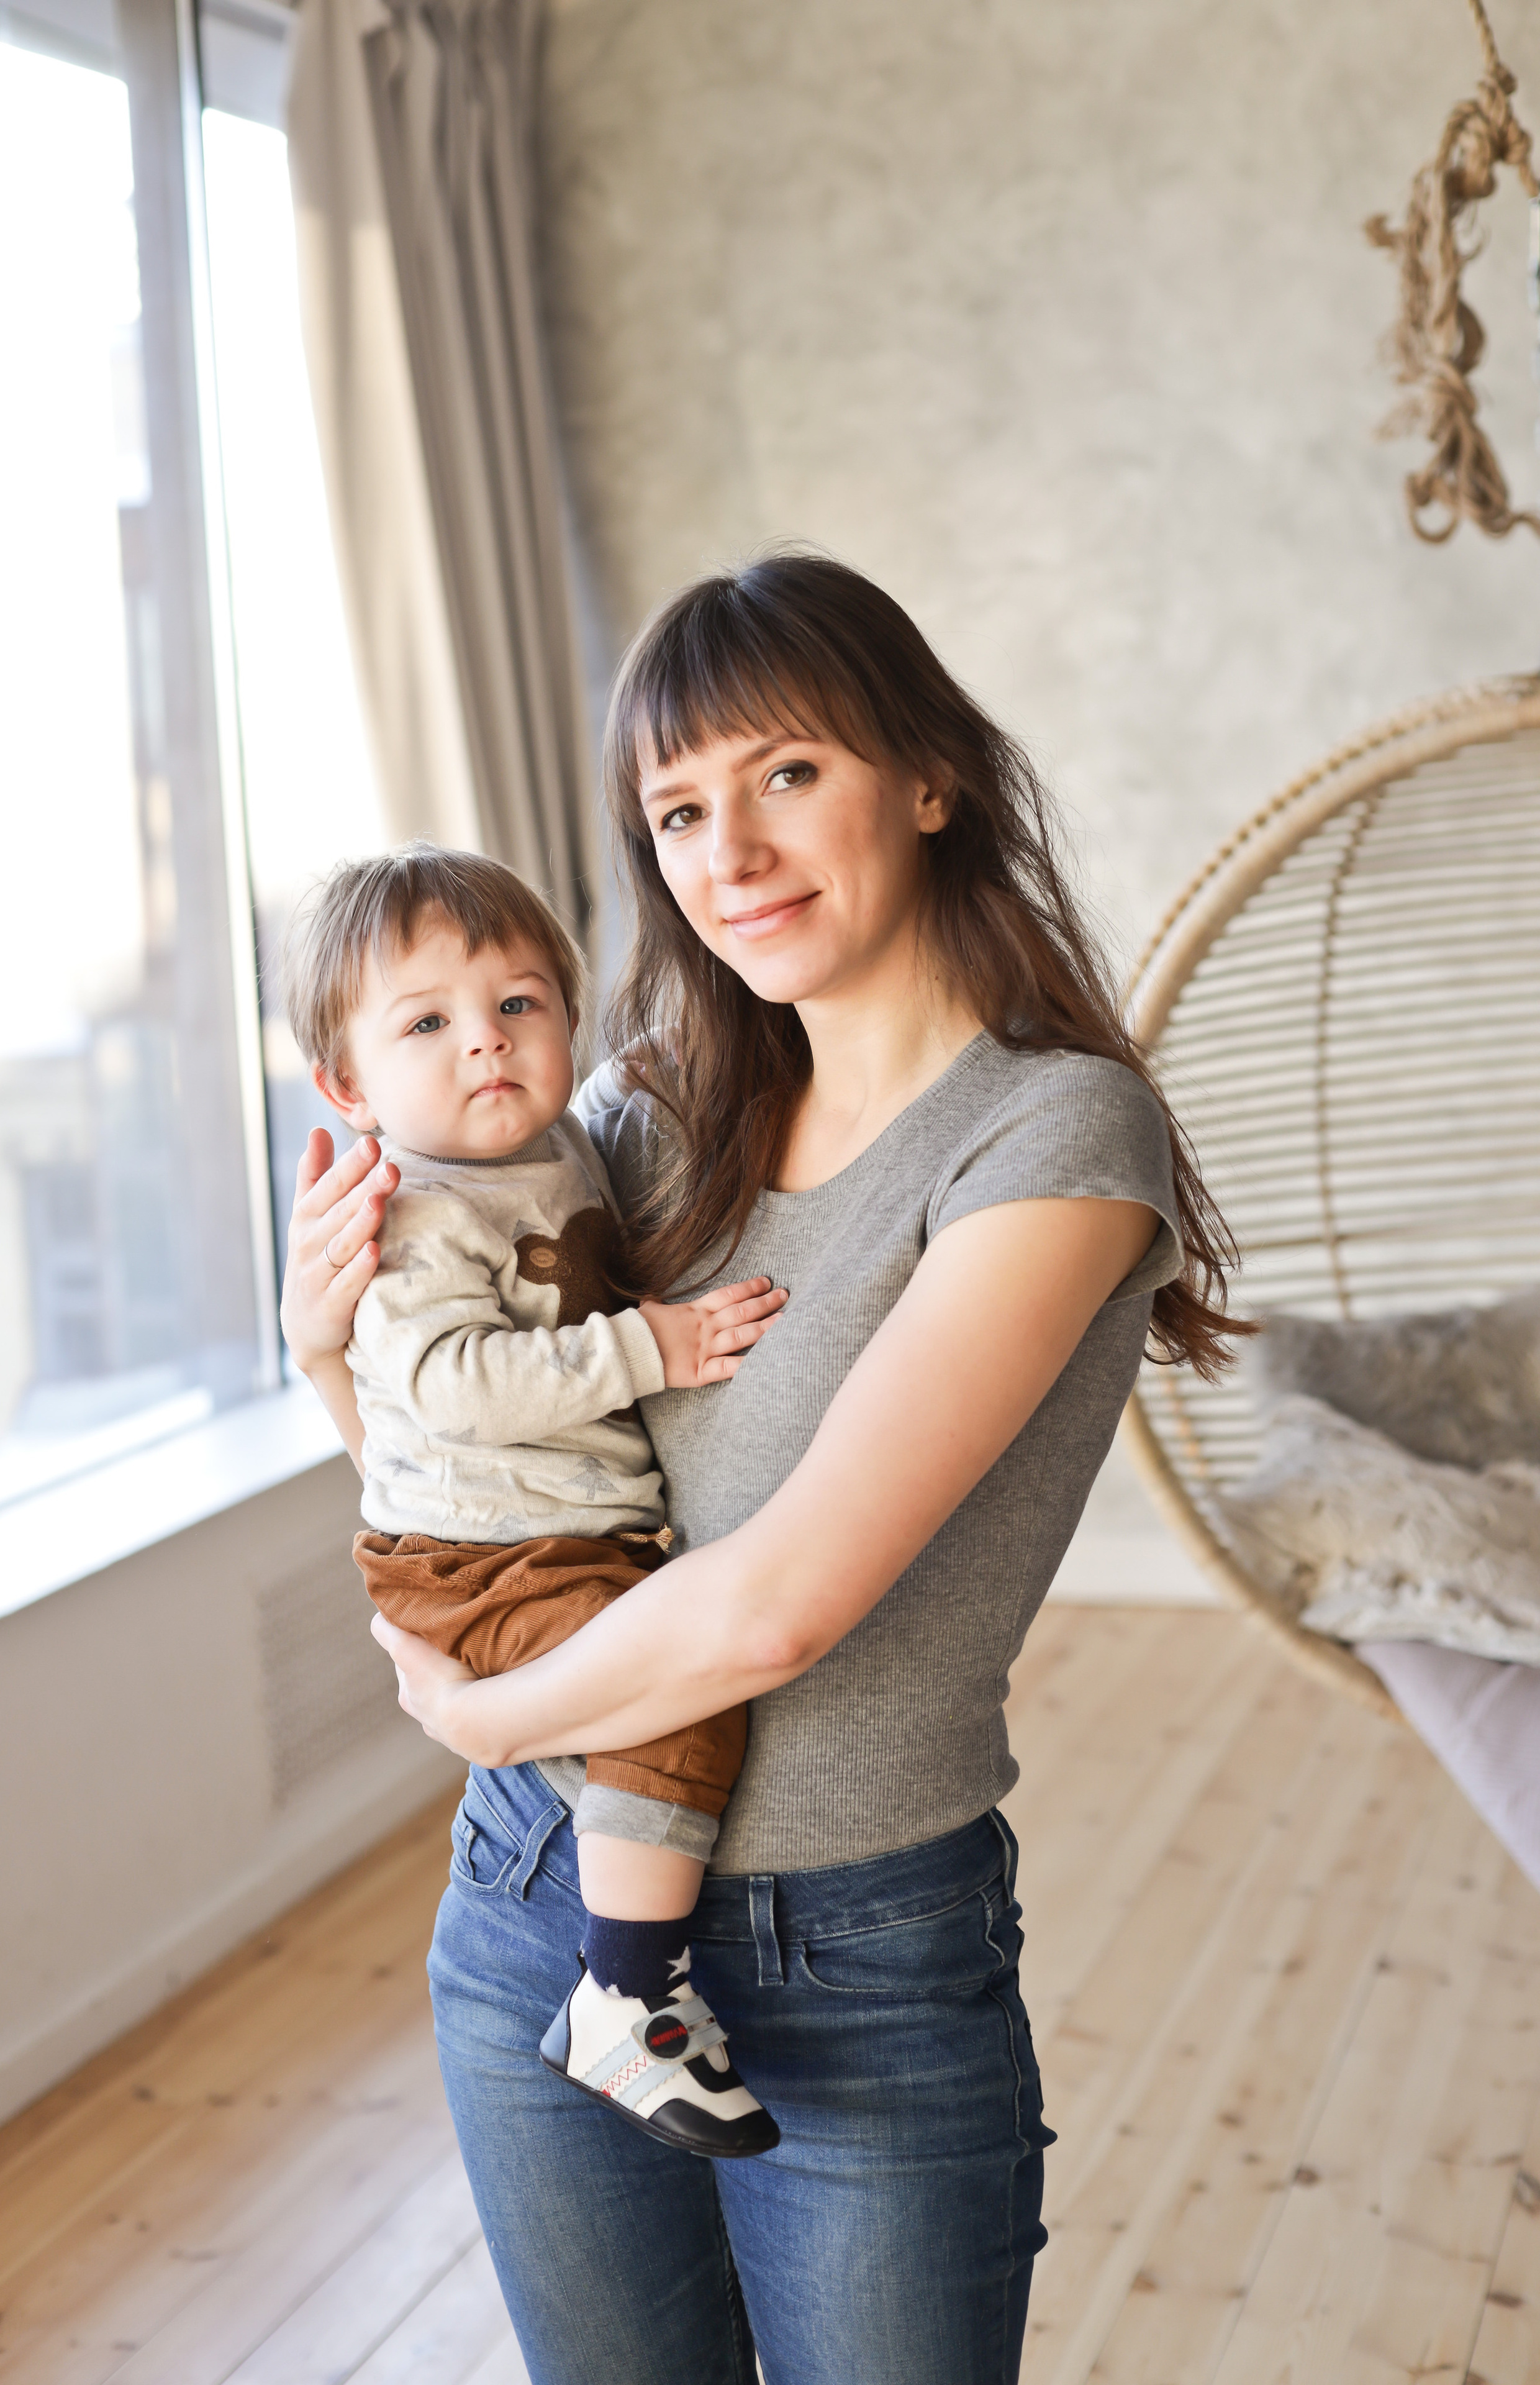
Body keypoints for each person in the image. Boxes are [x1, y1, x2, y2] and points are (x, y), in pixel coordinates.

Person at [280, 554, 1246, 2385]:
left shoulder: (1053, 1134)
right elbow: (470, 1469)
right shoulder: (641, 1117)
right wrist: (323, 1340)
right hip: (528, 1910)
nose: (731, 846)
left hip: (853, 1965)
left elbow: (784, 1598)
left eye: (786, 773)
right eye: (678, 809)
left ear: (928, 774)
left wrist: (496, 1718)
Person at [281, 843, 786, 2156]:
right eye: (428, 1023)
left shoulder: (561, 1147)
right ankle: (627, 1994)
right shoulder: (408, 1217)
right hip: (483, 1555)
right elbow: (452, 1385)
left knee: (660, 1678)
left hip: (548, 1532)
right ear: (348, 1084)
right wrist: (653, 1349)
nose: (486, 1045)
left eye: (518, 1005)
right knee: (673, 1711)